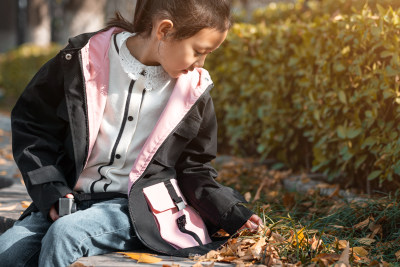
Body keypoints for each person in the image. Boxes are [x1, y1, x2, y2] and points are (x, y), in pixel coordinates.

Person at [0, 0, 262, 266]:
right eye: (198, 50)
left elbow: (195, 168)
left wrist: (231, 212)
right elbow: (33, 125)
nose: (200, 63)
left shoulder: (193, 92)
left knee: (66, 235)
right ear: (164, 30)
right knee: (8, 251)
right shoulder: (81, 60)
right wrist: (50, 188)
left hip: (135, 209)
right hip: (70, 198)